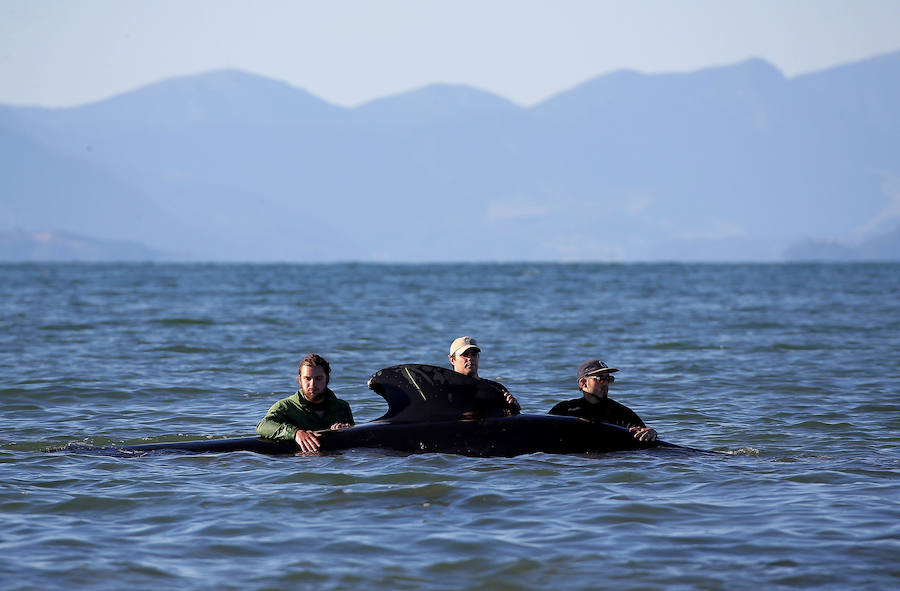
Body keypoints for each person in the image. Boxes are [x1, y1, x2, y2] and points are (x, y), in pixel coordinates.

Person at [256, 353, 354, 452]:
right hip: (300, 463)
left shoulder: (342, 407)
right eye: (307, 378)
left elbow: (355, 442)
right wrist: (295, 433)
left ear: (327, 379)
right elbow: (263, 426)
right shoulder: (285, 407)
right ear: (300, 380)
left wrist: (346, 430)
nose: (313, 384)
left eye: (318, 378)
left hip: (335, 464)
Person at [548, 359, 657, 442]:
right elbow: (542, 430)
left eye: (609, 379)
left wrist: (651, 433)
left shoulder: (620, 412)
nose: (606, 384)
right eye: (601, 379)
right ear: (583, 383)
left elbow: (643, 433)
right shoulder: (564, 409)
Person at [448, 336, 520, 415]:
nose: (470, 358)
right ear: (452, 359)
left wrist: (514, 409)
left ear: (478, 357)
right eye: (464, 354)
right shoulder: (443, 389)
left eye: (474, 354)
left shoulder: (497, 390)